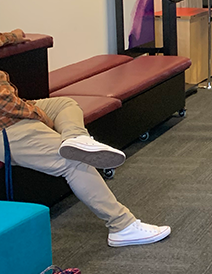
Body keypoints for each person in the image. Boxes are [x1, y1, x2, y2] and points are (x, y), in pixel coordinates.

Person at [0, 30, 171, 247]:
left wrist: (15, 36)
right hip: (7, 127)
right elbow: (6, 104)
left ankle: (76, 138)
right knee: (74, 161)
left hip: (13, 112)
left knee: (65, 104)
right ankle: (121, 226)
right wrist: (39, 116)